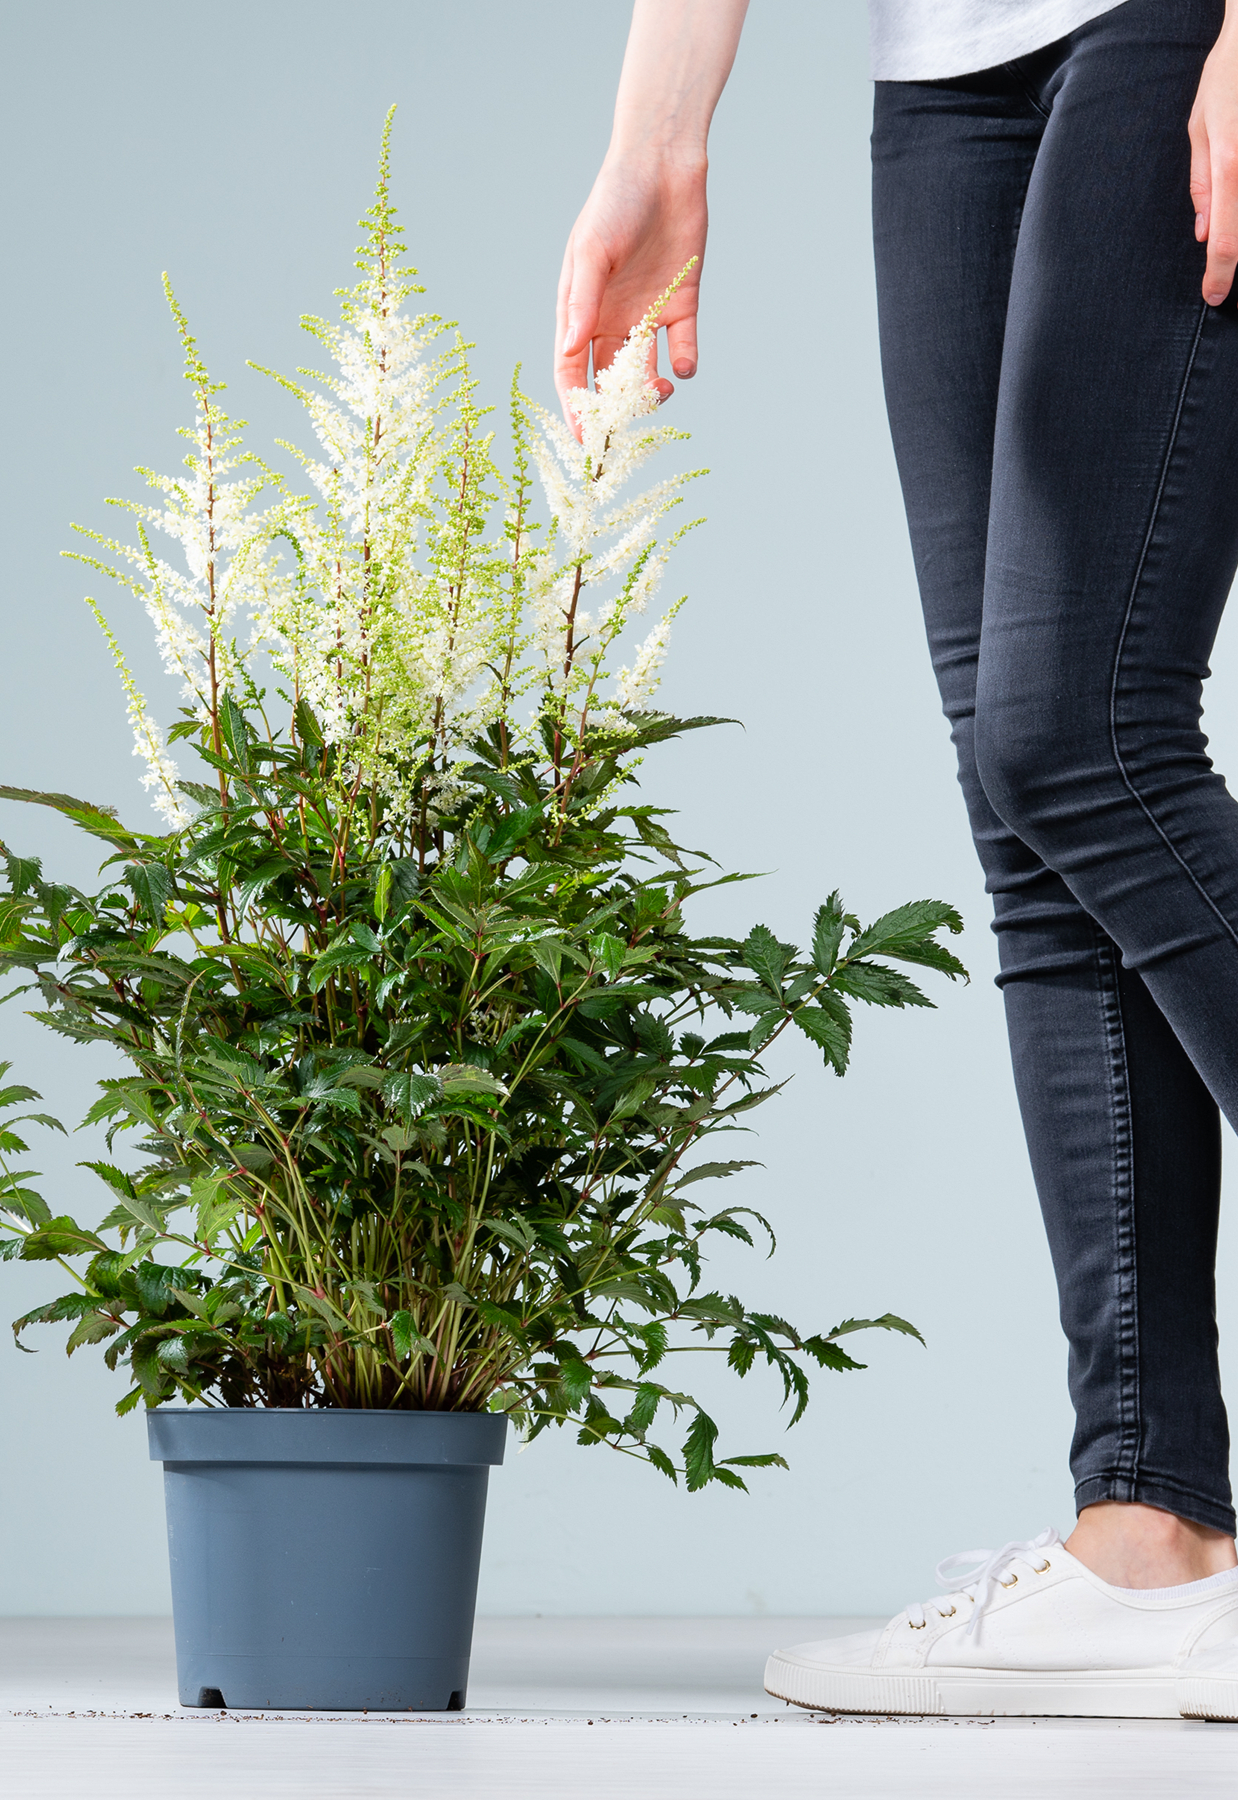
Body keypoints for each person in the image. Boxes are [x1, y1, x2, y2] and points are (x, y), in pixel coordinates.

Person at [558, 0, 1238, 1718]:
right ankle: (1149, 1528)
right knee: (1028, 806)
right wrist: (659, 136)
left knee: (1077, 734)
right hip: (943, 79)